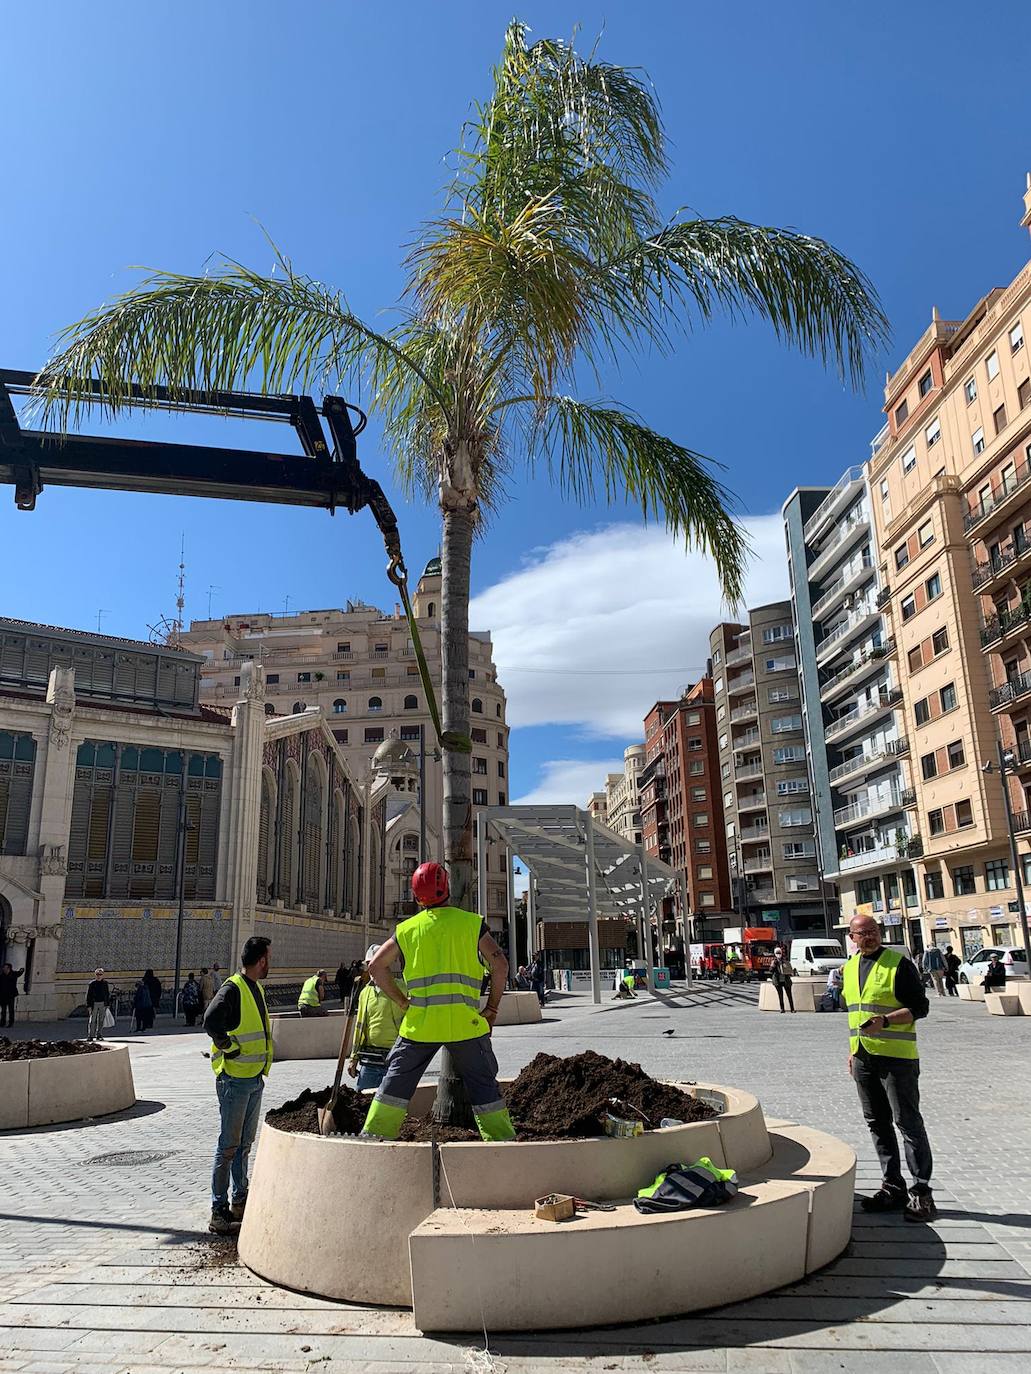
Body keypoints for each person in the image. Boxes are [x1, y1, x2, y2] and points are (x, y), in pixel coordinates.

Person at [361, 862, 515, 1142]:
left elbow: (375, 968)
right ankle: (502, 1143)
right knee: (484, 1088)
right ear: (447, 888)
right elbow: (500, 966)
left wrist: (403, 1002)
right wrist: (491, 1009)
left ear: (417, 896)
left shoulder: (407, 929)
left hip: (420, 1025)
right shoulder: (471, 924)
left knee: (394, 1086)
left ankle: (372, 1139)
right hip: (465, 1025)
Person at [844, 914, 935, 1222]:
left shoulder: (899, 964)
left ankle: (921, 1192)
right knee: (877, 1123)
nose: (869, 936)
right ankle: (892, 1185)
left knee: (907, 1122)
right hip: (863, 1057)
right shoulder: (849, 967)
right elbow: (855, 1015)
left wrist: (885, 1021)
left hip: (897, 1058)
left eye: (873, 931)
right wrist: (852, 1051)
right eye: (862, 933)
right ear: (852, 937)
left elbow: (920, 1007)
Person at [203, 935, 273, 1234]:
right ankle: (218, 1210)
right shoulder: (233, 988)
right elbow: (210, 1021)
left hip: (254, 1078)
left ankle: (239, 1200)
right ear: (262, 960)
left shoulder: (255, 987)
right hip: (235, 1080)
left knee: (244, 1145)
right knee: (228, 1146)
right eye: (269, 957)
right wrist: (227, 1047)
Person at [349, 944, 406, 1091]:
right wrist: (354, 1058)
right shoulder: (365, 993)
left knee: (392, 1104)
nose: (372, 968)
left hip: (395, 1058)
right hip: (370, 1060)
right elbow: (360, 1027)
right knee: (362, 1102)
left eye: (376, 964)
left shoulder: (402, 988)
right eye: (370, 965)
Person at [85, 968, 110, 1041]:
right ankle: (90, 1035)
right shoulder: (92, 984)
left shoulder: (105, 983)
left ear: (103, 975)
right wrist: (88, 1005)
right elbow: (88, 995)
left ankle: (99, 1034)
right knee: (92, 1020)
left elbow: (107, 994)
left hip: (102, 1003)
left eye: (100, 974)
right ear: (95, 975)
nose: (99, 976)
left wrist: (107, 1004)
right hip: (94, 1003)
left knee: (101, 1020)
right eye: (97, 974)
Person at [771, 946, 795, 1013]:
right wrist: (774, 966)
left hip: (786, 980)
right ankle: (782, 1008)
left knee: (789, 995)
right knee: (780, 995)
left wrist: (788, 971)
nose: (778, 954)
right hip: (778, 980)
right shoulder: (774, 961)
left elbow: (789, 969)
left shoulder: (785, 960)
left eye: (779, 952)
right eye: (777, 953)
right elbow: (771, 970)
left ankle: (792, 1009)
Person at [0, 962, 24, 1028]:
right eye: (3, 968)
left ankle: (11, 1022)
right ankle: (2, 1022)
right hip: (3, 995)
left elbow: (20, 973)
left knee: (11, 1009)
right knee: (3, 1010)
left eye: (5, 968)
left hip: (11, 995)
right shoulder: (2, 976)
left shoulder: (13, 974)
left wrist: (22, 969)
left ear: (9, 968)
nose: (3, 969)